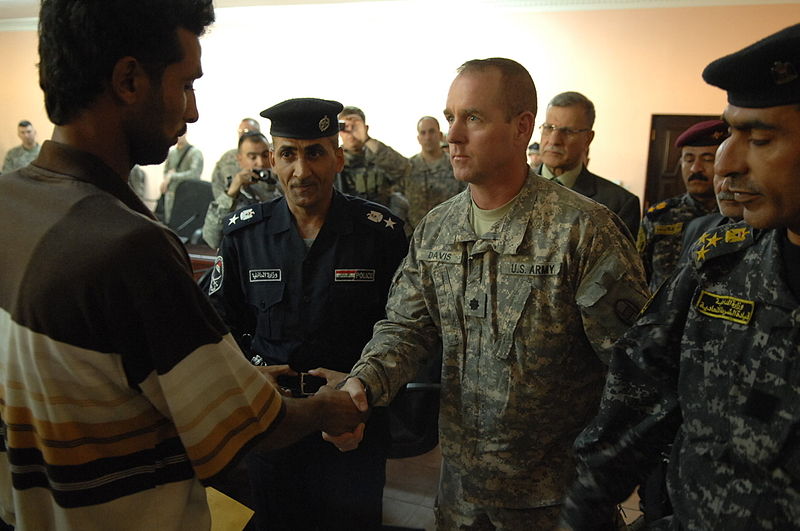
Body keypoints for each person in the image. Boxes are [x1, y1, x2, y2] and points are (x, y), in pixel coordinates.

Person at [0, 2, 363, 529]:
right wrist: (328, 407)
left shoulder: (10, 201)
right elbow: (241, 428)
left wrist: (252, 379)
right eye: (186, 84)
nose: (191, 111)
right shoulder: (130, 248)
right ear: (129, 80)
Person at [331, 58, 649, 529]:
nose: (451, 135)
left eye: (472, 118)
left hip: (555, 502)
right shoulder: (438, 228)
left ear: (522, 128)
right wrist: (361, 384)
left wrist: (603, 480)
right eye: (450, 118)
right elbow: (406, 328)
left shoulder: (582, 231)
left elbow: (634, 370)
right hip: (460, 495)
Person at [560, 23, 800, 530]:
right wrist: (585, 510)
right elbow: (639, 392)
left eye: (759, 138)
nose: (726, 164)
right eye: (731, 132)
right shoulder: (721, 263)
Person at [208, 98, 408, 530]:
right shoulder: (245, 234)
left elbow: (407, 332)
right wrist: (245, 377)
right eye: (288, 154)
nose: (302, 170)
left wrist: (365, 392)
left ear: (338, 156)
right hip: (274, 423)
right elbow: (219, 326)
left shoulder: (380, 234)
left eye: (315, 152)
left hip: (351, 427)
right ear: (273, 161)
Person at [637, 119, 728, 290]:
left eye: (707, 159)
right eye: (689, 159)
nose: (695, 168)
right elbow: (638, 276)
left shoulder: (738, 216)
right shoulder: (658, 217)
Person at [537, 91, 641, 238]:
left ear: (588, 139)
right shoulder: (512, 188)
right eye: (549, 128)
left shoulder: (618, 204)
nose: (554, 140)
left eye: (567, 131)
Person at [202, 131, 281, 248]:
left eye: (265, 156)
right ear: (240, 159)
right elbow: (212, 239)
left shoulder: (282, 185)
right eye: (252, 157)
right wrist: (231, 193)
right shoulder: (233, 192)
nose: (260, 163)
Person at [337, 105, 410, 214]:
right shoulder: (335, 159)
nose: (350, 131)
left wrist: (366, 139)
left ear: (365, 128)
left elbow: (403, 168)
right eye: (344, 127)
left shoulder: (378, 155)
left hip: (380, 219)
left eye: (355, 126)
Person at [403, 115, 465, 228]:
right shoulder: (408, 167)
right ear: (418, 138)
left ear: (440, 135)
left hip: (450, 235)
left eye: (432, 132)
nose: (428, 137)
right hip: (417, 237)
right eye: (423, 133)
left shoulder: (455, 164)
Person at [680, 172, 745, 258]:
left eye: (736, 177)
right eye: (720, 175)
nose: (724, 187)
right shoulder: (698, 227)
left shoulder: (767, 239)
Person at [160, 131, 204, 223]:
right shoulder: (172, 153)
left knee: (182, 223)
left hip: (187, 196)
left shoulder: (195, 153)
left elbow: (195, 174)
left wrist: (172, 176)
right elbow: (166, 172)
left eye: (181, 133)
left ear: (185, 133)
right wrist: (166, 180)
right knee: (169, 222)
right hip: (171, 194)